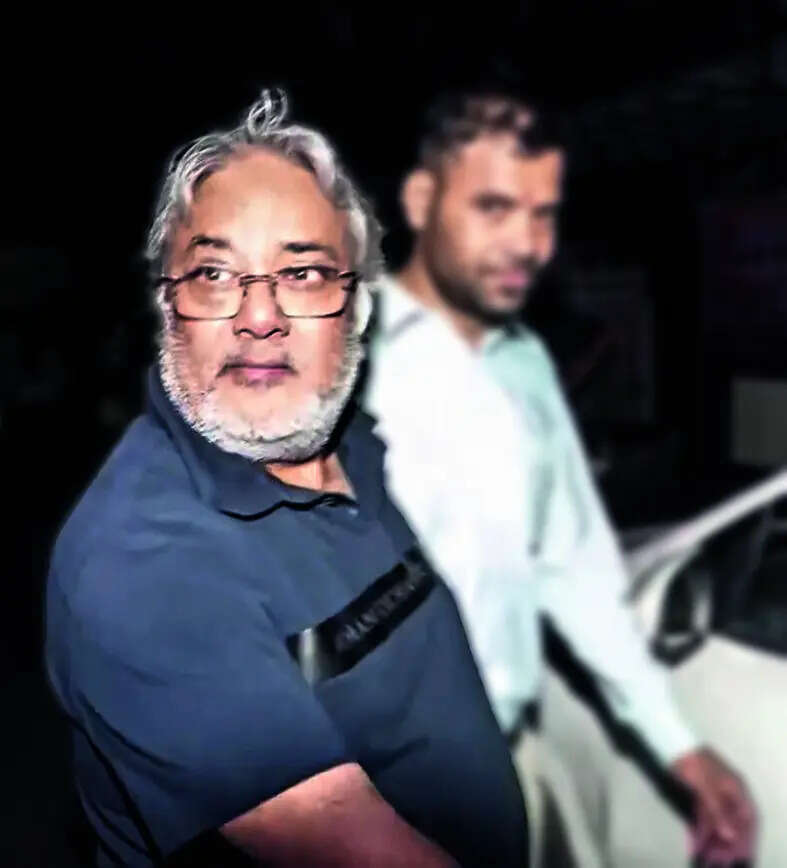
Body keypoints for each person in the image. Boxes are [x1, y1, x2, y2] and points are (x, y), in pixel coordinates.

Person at [45, 89, 529, 868]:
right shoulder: (141, 566)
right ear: (168, 309)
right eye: (214, 273)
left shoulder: (358, 445)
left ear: (356, 308)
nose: (259, 316)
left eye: (301, 273)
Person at [362, 90, 756, 866]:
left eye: (542, 214)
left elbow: (571, 567)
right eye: (494, 208)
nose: (527, 244)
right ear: (420, 199)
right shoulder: (326, 358)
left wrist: (680, 748)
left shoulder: (526, 366)